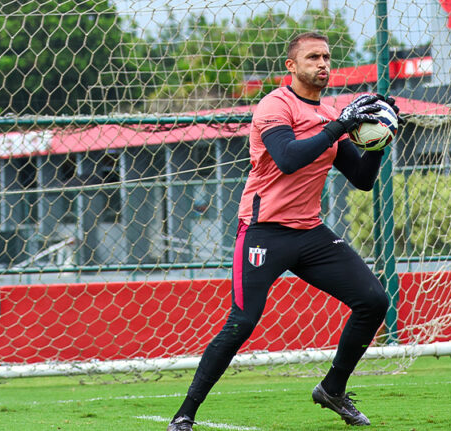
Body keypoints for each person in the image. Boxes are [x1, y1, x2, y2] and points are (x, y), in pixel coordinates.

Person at [167, 31, 400, 430]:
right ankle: (185, 414)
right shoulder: (275, 105)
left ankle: (332, 389)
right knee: (242, 321)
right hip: (263, 231)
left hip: (309, 232)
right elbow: (288, 158)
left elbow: (361, 179)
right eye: (313, 57)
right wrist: (340, 126)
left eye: (327, 57)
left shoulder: (330, 117)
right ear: (291, 66)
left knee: (374, 300)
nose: (323, 64)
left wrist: (380, 139)